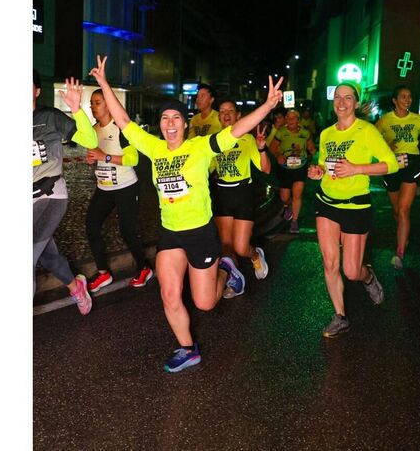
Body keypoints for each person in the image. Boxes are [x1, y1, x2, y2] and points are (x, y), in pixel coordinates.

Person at [90, 55, 284, 373]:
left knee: (205, 303)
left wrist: (267, 105)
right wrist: (104, 83)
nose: (169, 123)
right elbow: (124, 122)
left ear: (184, 122)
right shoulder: (153, 147)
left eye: (175, 118)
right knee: (169, 293)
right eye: (165, 118)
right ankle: (187, 348)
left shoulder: (199, 147)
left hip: (201, 233)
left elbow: (237, 130)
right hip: (171, 234)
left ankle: (226, 271)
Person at [307, 82, 398, 337]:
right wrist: (318, 171)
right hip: (326, 202)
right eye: (338, 97)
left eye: (348, 97)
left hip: (356, 206)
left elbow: (391, 164)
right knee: (329, 263)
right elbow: (325, 165)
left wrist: (357, 168)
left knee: (351, 270)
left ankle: (367, 277)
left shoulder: (367, 131)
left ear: (356, 103)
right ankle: (340, 316)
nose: (342, 102)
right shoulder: (326, 134)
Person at [33, 70, 99, 314]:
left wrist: (77, 109)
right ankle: (76, 287)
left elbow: (91, 141)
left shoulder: (49, 117)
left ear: (37, 91)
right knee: (45, 255)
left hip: (50, 195)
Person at [84, 89, 155, 293]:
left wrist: (103, 156)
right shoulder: (93, 129)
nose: (92, 106)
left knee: (127, 230)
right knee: (91, 226)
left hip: (126, 186)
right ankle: (103, 272)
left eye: (97, 102)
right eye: (92, 103)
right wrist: (92, 159)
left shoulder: (120, 129)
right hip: (104, 188)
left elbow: (132, 159)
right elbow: (94, 156)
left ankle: (144, 267)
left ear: (108, 104)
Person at [211, 99, 272, 297]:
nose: (226, 114)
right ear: (219, 116)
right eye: (222, 111)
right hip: (222, 194)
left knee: (240, 246)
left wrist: (261, 148)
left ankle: (255, 255)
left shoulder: (247, 139)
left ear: (238, 115)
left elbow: (266, 169)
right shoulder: (215, 140)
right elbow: (206, 168)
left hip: (243, 193)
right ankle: (234, 282)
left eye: (230, 111)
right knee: (225, 247)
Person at [374, 85, 420, 270]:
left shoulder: (417, 119)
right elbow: (374, 139)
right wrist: (386, 146)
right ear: (394, 100)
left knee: (403, 210)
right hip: (392, 166)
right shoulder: (385, 120)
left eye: (409, 96)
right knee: (396, 211)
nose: (407, 99)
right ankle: (404, 234)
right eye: (403, 96)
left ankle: (399, 252)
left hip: (412, 163)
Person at [268, 108, 316, 233]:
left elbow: (311, 148)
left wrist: (319, 162)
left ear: (298, 120)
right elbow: (272, 148)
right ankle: (288, 206)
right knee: (284, 197)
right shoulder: (281, 132)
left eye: (293, 118)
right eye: (288, 118)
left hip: (300, 166)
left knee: (297, 195)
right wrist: (278, 156)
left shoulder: (305, 133)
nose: (290, 120)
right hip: (285, 168)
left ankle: (294, 221)